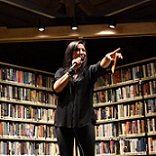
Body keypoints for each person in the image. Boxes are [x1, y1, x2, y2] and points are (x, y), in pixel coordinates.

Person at [52, 40, 123, 156]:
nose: (81, 53)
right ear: (70, 53)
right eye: (78, 50)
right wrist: (71, 71)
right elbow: (56, 88)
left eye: (83, 50)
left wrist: (107, 58)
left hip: (84, 122)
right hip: (63, 122)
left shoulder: (88, 72)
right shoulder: (61, 72)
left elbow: (100, 66)